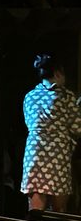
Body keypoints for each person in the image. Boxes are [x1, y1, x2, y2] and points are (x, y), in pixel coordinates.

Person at [21, 53, 81, 212]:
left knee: (35, 210)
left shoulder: (30, 96)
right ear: (58, 73)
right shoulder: (66, 96)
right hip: (57, 154)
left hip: (34, 153)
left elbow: (30, 122)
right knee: (59, 210)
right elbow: (77, 127)